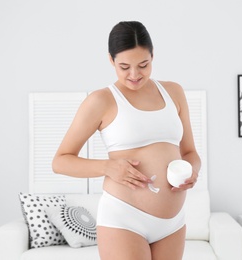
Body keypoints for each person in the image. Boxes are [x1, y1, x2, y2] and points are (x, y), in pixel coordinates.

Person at [52, 21, 201, 260]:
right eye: (124, 67)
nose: (134, 74)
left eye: (143, 65)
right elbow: (60, 161)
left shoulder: (174, 92)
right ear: (111, 61)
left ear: (153, 56)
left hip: (172, 222)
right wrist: (107, 167)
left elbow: (190, 152)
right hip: (124, 218)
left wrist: (192, 171)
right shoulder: (101, 101)